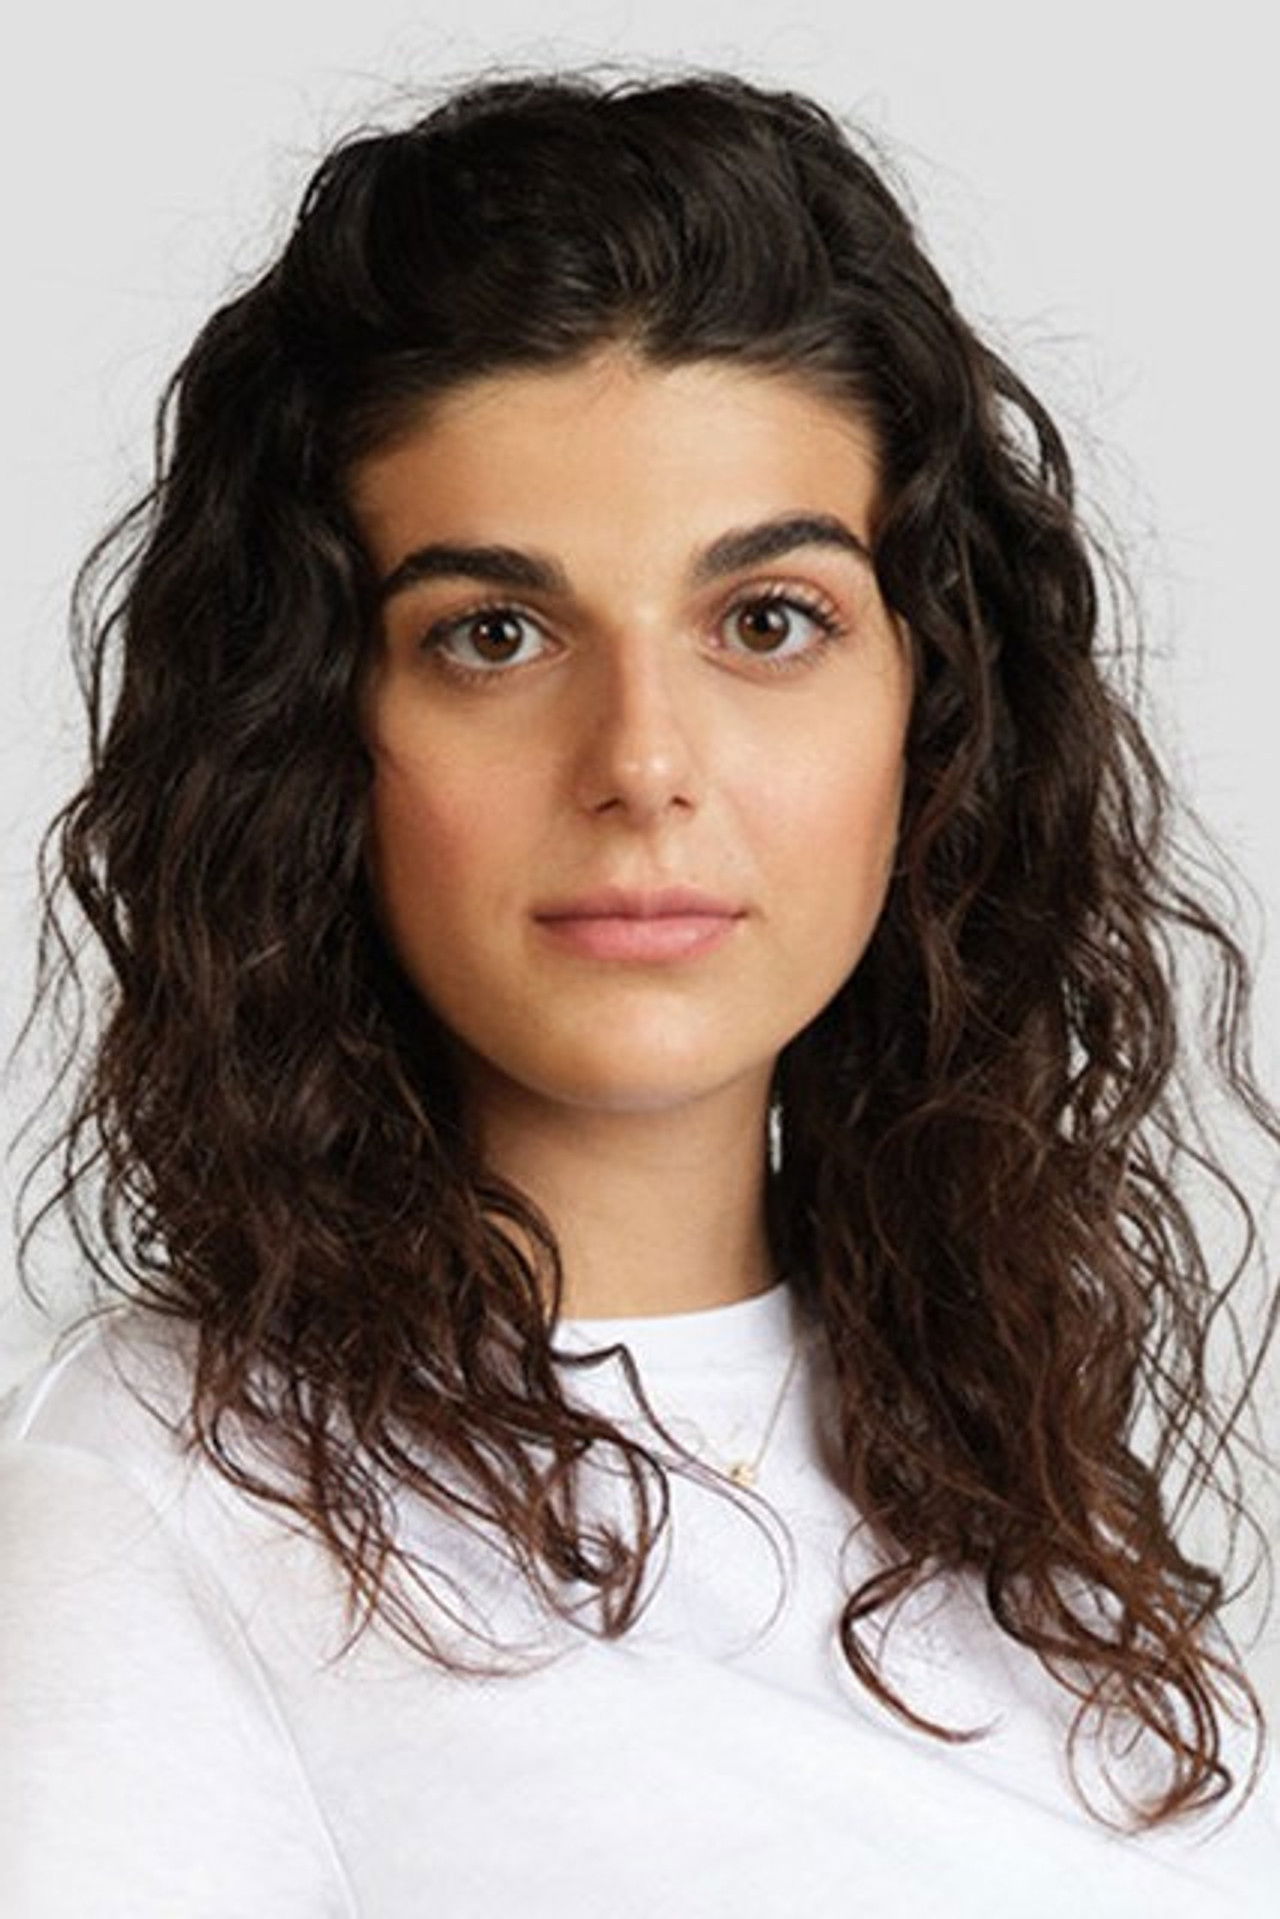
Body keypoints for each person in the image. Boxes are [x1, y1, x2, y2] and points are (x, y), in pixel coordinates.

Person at [1, 64, 1278, 1917]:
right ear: (310, 738)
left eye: (767, 622)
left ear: (932, 715)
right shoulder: (155, 1514)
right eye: (494, 635)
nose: (644, 763)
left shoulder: (1029, 1499)